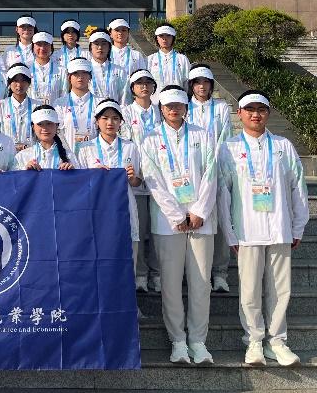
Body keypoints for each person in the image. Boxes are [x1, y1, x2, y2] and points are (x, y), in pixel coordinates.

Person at [218, 90, 309, 367]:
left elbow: (298, 188)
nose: (255, 114)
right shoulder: (229, 149)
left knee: (280, 289)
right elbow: (223, 194)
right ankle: (254, 341)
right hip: (247, 230)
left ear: (268, 113)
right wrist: (230, 232)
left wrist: (298, 226)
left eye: (261, 109)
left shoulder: (283, 146)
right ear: (240, 114)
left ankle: (277, 341)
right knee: (249, 290)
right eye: (250, 109)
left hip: (279, 227)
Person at [141, 85, 217, 366]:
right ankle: (178, 341)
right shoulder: (150, 139)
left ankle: (198, 341)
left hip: (200, 221)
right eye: (168, 106)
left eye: (178, 105)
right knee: (171, 285)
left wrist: (199, 211)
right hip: (167, 223)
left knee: (201, 283)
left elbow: (211, 174)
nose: (174, 110)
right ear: (161, 109)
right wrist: (176, 215)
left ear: (186, 107)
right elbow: (153, 179)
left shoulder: (202, 135)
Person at [187, 64, 235, 293]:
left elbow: (225, 137)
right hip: (191, 175)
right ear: (191, 85)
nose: (202, 86)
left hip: (217, 172)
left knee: (220, 222)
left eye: (206, 82)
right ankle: (195, 272)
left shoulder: (221, 107)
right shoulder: (184, 107)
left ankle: (220, 273)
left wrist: (214, 166)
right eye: (197, 82)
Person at [76, 99, 141, 267]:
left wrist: (132, 178)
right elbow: (78, 185)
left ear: (121, 122)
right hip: (95, 207)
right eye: (105, 118)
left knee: (127, 257)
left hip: (124, 206)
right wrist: (93, 175)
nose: (110, 122)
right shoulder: (85, 148)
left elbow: (137, 182)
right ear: (97, 121)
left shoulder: (130, 147)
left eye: (115, 118)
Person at [120, 69, 162, 293]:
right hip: (135, 179)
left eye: (148, 82)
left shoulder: (161, 111)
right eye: (139, 83)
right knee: (139, 228)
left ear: (154, 87)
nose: (144, 86)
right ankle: (141, 274)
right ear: (132, 88)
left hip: (160, 180)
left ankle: (157, 273)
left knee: (158, 231)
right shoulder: (125, 113)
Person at [52, 57, 99, 151]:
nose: (80, 77)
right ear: (69, 77)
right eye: (76, 73)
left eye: (84, 72)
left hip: (96, 155)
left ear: (90, 76)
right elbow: (57, 132)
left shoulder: (100, 102)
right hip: (68, 155)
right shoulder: (60, 103)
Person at [15, 105, 77, 170]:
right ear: (33, 127)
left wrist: (72, 172)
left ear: (57, 126)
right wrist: (25, 171)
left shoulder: (69, 156)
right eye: (40, 124)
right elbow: (13, 176)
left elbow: (79, 176)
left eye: (49, 123)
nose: (45, 128)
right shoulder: (22, 156)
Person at [0, 63, 38, 153]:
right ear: (9, 83)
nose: (19, 84)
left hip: (31, 154)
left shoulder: (37, 106)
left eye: (23, 80)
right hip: (6, 153)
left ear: (29, 83)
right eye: (15, 81)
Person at [108, 18, 147, 105]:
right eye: (117, 30)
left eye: (124, 30)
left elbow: (142, 77)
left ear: (128, 33)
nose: (120, 33)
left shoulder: (136, 55)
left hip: (131, 100)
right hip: (110, 99)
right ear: (110, 33)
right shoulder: (105, 54)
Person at [147, 24, 190, 94]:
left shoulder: (182, 59)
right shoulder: (150, 59)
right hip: (156, 99)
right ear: (157, 38)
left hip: (178, 98)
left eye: (168, 35)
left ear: (173, 38)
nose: (164, 39)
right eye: (161, 36)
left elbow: (187, 82)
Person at [29, 31, 67, 105]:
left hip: (55, 111)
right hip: (32, 111)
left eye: (46, 44)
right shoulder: (27, 70)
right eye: (39, 44)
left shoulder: (61, 71)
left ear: (51, 47)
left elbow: (64, 95)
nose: (42, 48)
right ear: (33, 47)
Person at [87, 29, 124, 100]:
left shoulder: (119, 70)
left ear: (109, 47)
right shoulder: (84, 70)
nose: (100, 47)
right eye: (96, 44)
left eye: (104, 44)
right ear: (90, 47)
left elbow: (125, 97)